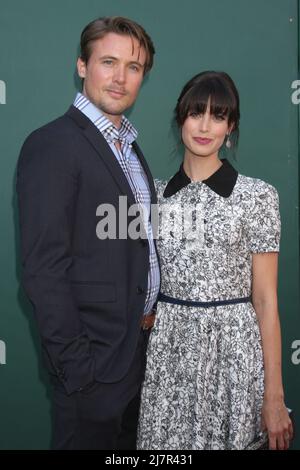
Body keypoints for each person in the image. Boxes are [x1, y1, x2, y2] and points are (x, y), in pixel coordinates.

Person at [17, 16, 160, 450]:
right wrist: (79, 370)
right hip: (93, 371)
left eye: (133, 68)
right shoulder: (53, 144)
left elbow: (133, 248)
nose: (120, 78)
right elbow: (43, 268)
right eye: (108, 62)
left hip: (139, 357)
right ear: (82, 65)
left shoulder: (132, 149)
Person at [137, 71, 293, 450]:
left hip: (234, 357)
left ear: (231, 126)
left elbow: (266, 300)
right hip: (168, 357)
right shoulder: (152, 197)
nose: (205, 126)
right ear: (180, 120)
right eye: (196, 114)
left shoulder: (257, 196)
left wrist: (274, 395)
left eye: (218, 116)